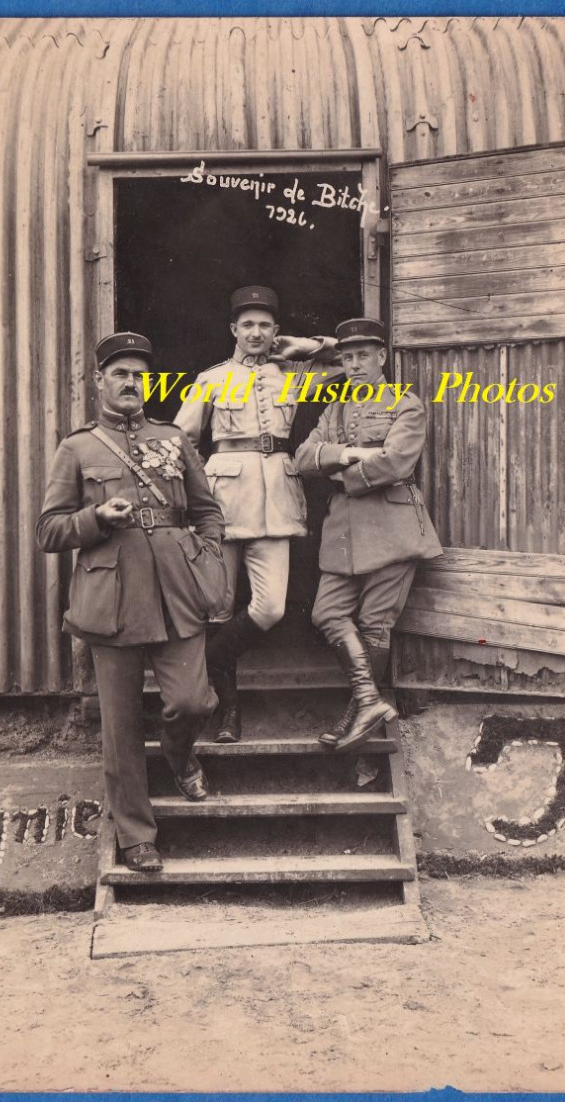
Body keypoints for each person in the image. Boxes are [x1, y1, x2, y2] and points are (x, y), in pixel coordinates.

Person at [36, 332, 226, 873]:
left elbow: (207, 509)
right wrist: (96, 519)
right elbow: (48, 530)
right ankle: (137, 834)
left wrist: (207, 555)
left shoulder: (172, 439)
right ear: (100, 381)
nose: (130, 383)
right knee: (119, 728)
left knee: (193, 702)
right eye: (119, 373)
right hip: (111, 599)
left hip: (176, 592)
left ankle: (178, 753)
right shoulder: (78, 447)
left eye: (138, 374)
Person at [174, 285, 338, 742]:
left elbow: (346, 361)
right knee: (218, 609)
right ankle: (229, 714)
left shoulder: (293, 375)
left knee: (269, 608)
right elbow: (182, 439)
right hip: (222, 499)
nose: (256, 332)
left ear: (276, 331)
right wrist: (192, 497)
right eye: (247, 324)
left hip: (276, 503)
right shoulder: (212, 379)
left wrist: (306, 347)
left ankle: (210, 664)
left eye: (265, 324)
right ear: (233, 329)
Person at [294, 318, 443, 753]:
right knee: (326, 613)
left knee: (376, 624)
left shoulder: (405, 403)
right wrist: (351, 453)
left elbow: (397, 463)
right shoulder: (335, 409)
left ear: (381, 358)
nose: (355, 364)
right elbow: (303, 456)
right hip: (344, 530)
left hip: (393, 525)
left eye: (363, 355)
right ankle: (369, 701)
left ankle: (359, 710)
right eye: (347, 357)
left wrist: (339, 473)